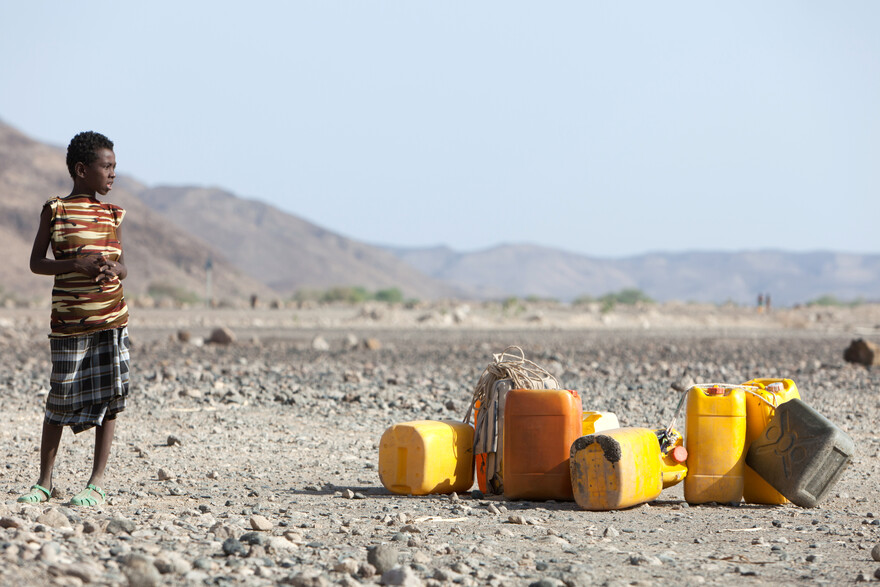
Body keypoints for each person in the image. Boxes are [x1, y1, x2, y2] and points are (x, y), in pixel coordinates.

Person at [18, 131, 130, 507]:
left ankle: (96, 482)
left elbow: (124, 266)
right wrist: (75, 264)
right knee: (60, 397)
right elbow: (36, 263)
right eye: (107, 166)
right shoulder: (56, 209)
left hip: (111, 319)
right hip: (69, 323)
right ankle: (44, 482)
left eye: (114, 166)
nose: (113, 173)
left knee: (110, 398)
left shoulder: (113, 214)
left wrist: (113, 268)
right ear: (82, 170)